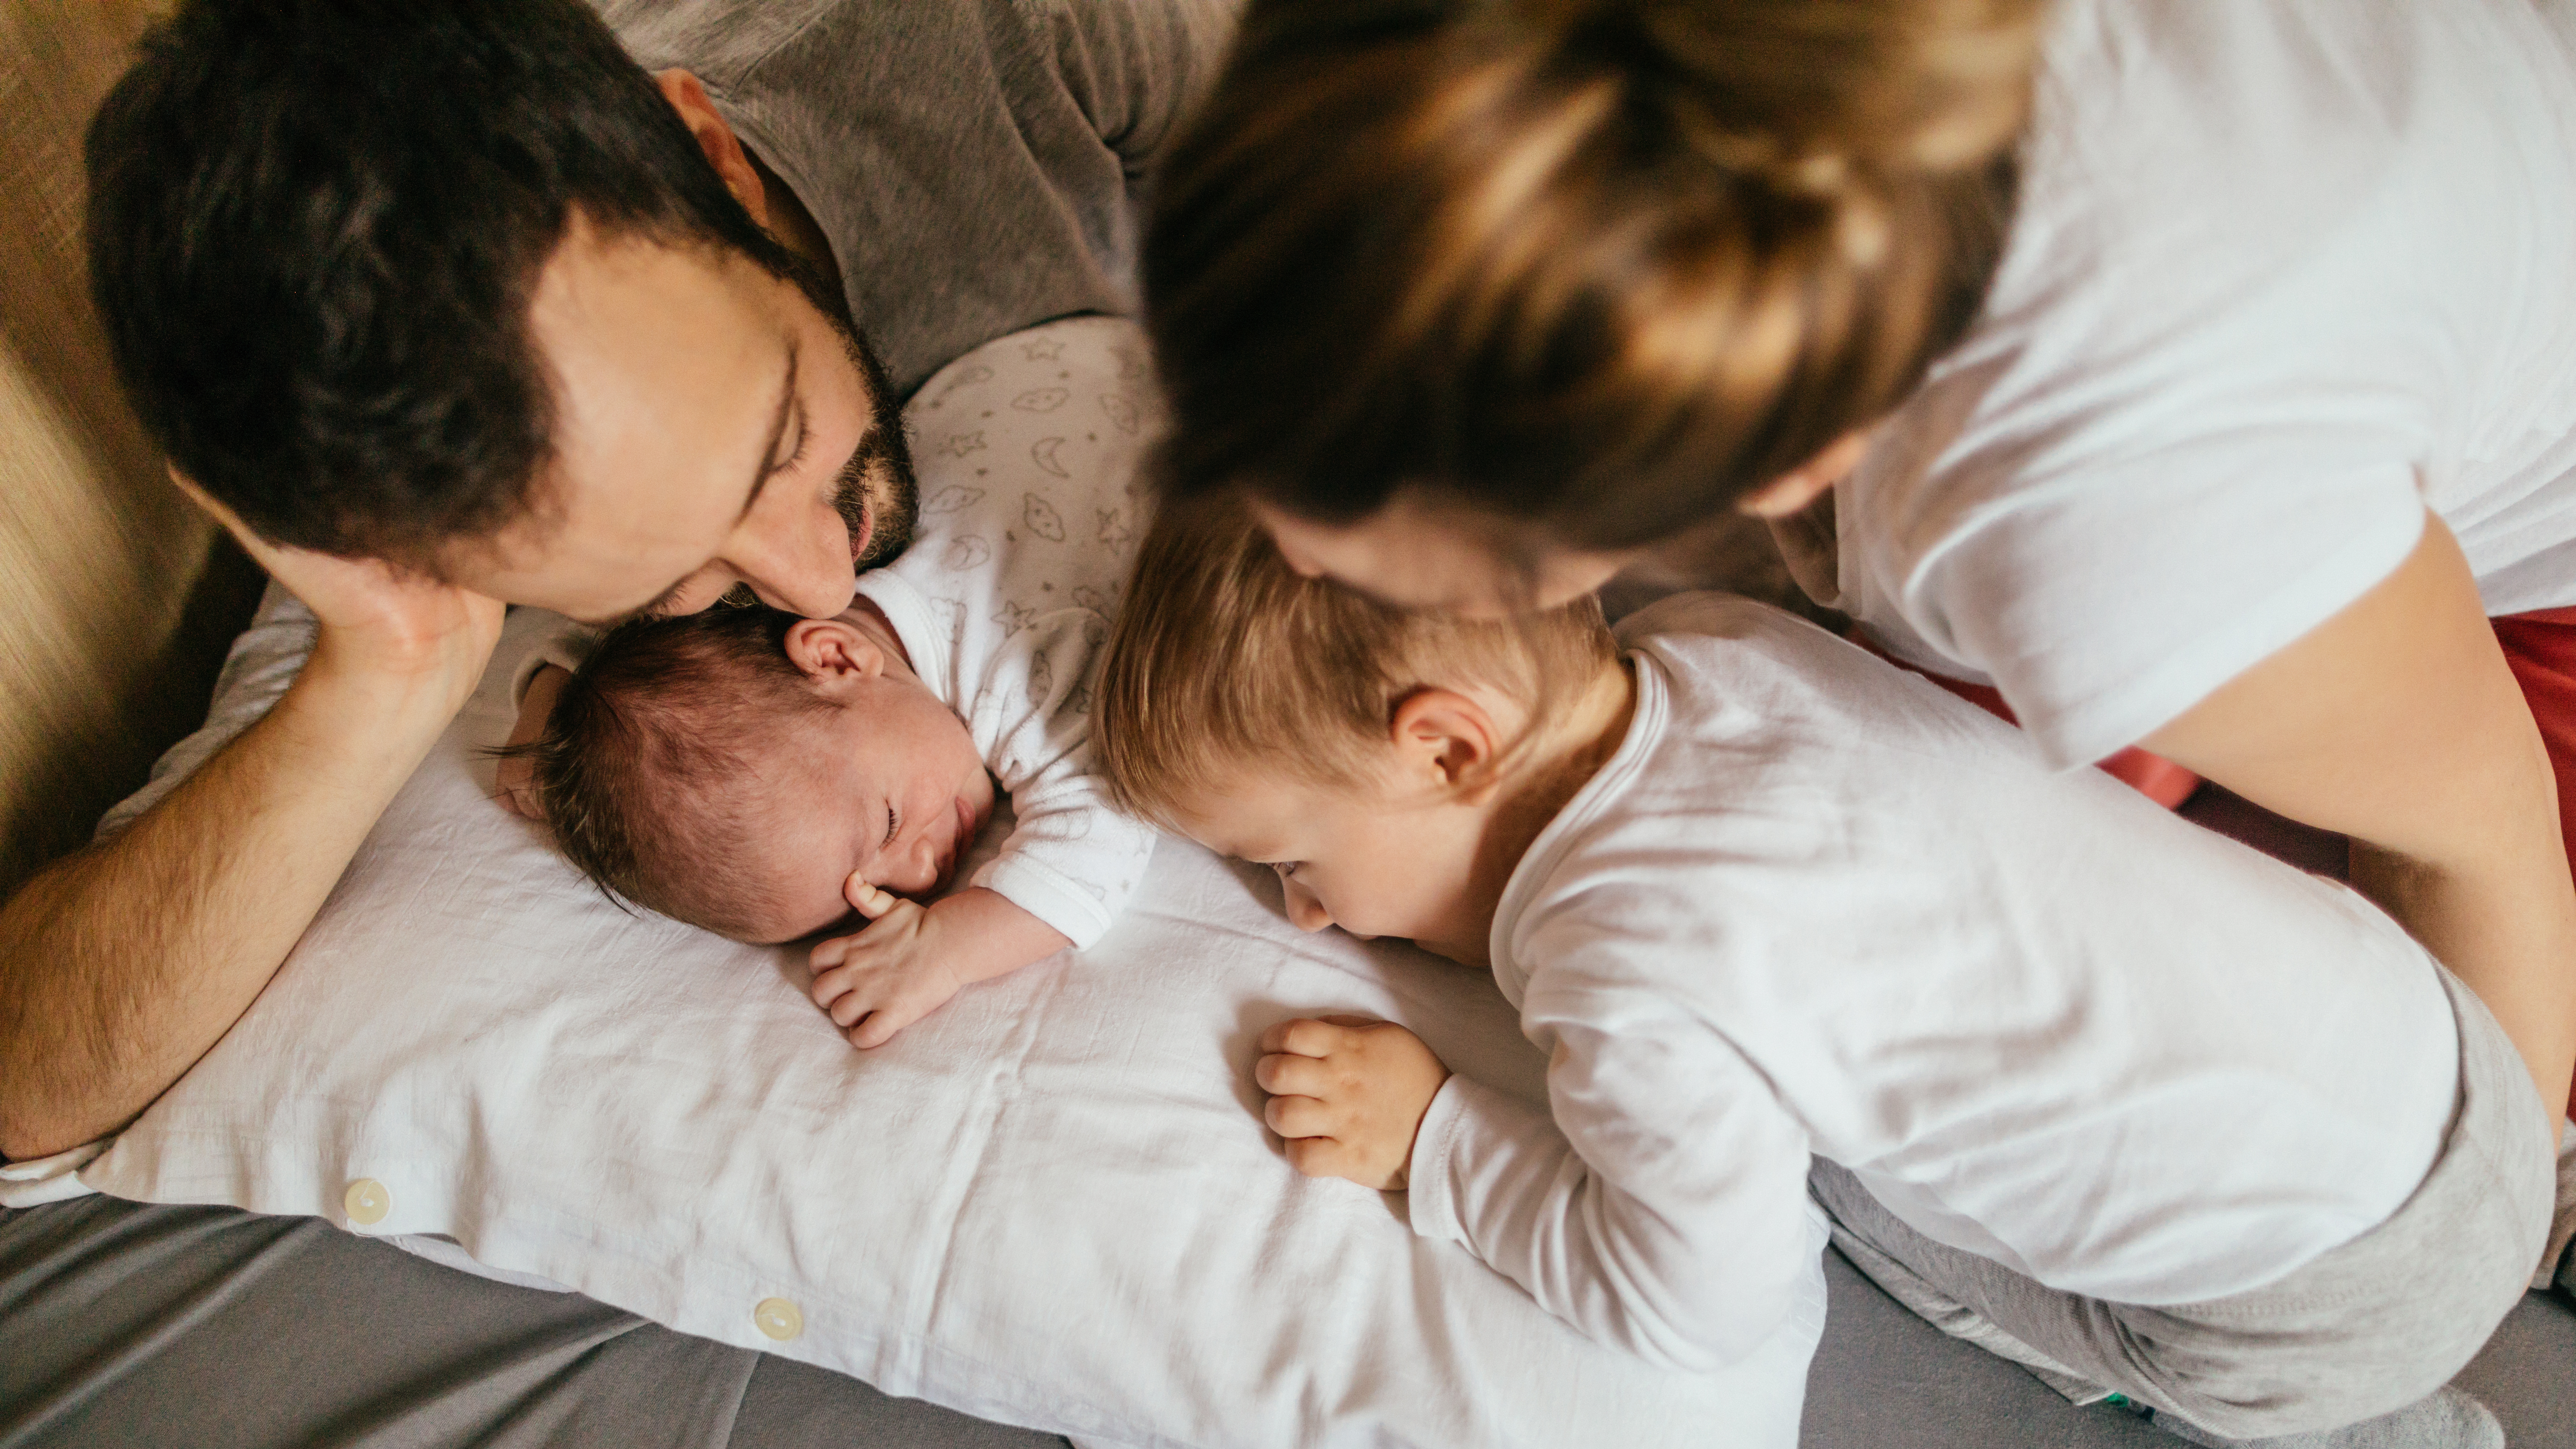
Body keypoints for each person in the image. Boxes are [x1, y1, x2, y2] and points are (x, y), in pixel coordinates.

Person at [0, 0, 1227, 1440]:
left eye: (782, 442)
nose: (817, 580)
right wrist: (393, 664)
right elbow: (32, 1085)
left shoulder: (961, 45)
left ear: (717, 162)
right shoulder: (442, 524)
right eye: (673, 586)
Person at [1136, 0, 2576, 1211]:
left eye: (1363, 555)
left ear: (1775, 472)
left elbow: (2474, 825)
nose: (1289, 557)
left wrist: (2467, 1231)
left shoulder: (2083, 510)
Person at [1091, 501, 2553, 1448]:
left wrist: (1437, 1139)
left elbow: (1688, 1304)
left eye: (1294, 856)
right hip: (2464, 1049)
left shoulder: (1625, 971)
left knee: (1843, 1193)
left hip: (2311, 1310)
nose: (1302, 910)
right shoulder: (1710, 637)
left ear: (1445, 745)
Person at [523, 317, 1162, 1045]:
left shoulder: (1015, 669)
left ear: (835, 659)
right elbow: (656, 621)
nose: (920, 872)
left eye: (888, 822)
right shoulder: (829, 548)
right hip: (1057, 354)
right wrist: (556, 677)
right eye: (874, 893)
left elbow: (1098, 835)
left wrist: (947, 949)